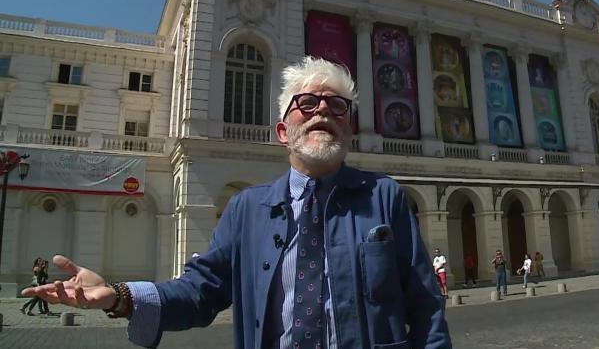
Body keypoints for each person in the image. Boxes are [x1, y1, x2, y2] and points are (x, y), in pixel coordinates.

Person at [23, 56, 452, 349]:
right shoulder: (247, 209)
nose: (323, 108)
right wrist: (119, 296)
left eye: (337, 105)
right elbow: (199, 292)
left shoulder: (384, 196)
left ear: (348, 132)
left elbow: (425, 305)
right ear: (283, 132)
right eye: (307, 102)